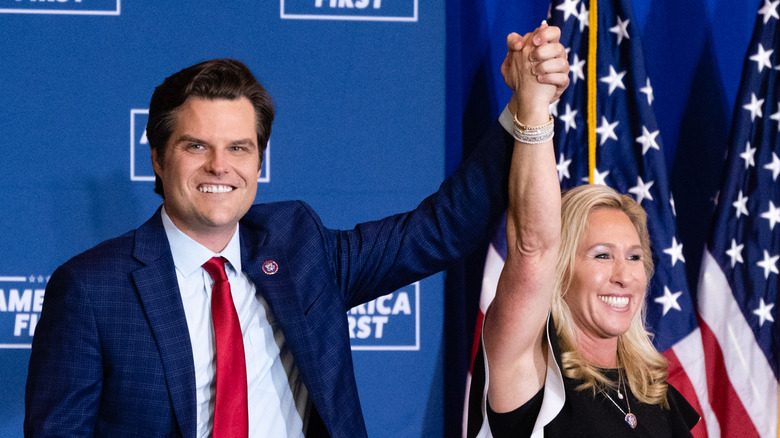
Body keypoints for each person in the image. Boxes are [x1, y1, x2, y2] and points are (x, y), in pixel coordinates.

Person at [24, 25, 570, 438]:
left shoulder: (298, 247)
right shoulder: (92, 289)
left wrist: (527, 107)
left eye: (239, 148)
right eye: (196, 146)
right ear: (159, 161)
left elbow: (441, 229)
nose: (221, 166)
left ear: (259, 162)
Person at [472, 27, 700, 437]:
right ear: (558, 270)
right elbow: (531, 247)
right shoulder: (533, 372)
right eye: (601, 255)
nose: (624, 274)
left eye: (634, 257)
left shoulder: (656, 395)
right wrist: (534, 104)